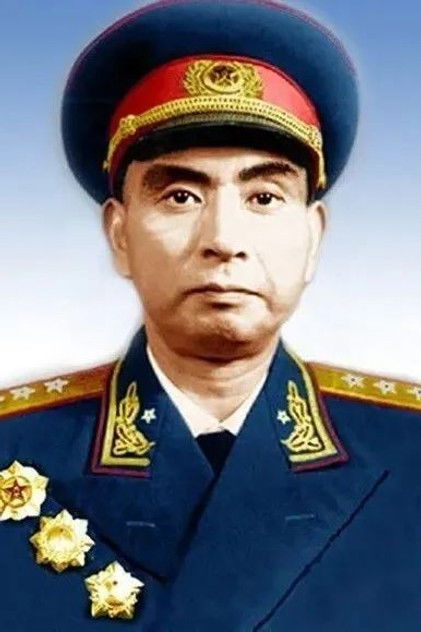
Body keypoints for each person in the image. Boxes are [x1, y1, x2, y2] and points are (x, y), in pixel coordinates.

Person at [1, 1, 421, 630]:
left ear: (313, 236)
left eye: (264, 197)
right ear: (119, 234)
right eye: (180, 195)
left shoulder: (408, 449)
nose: (224, 239)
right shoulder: (15, 450)